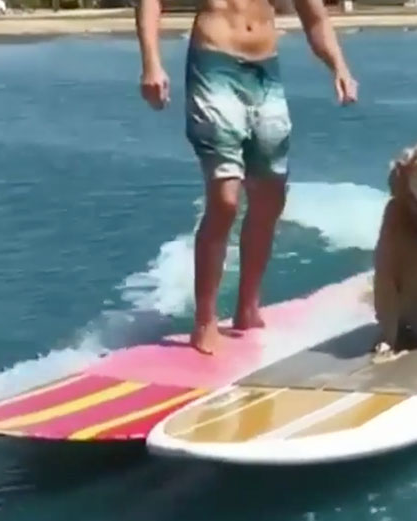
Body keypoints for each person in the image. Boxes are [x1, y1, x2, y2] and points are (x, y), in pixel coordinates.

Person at [135, 0, 358, 354]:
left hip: (266, 74)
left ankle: (247, 307)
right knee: (225, 201)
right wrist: (151, 63)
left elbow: (314, 16)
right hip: (213, 65)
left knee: (270, 198)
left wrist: (339, 67)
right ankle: (205, 321)